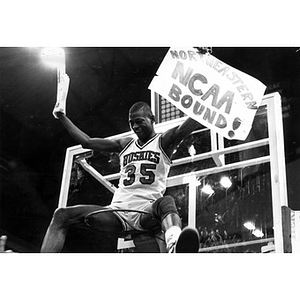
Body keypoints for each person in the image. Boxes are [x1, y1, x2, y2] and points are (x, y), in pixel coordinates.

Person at [41, 75, 201, 253]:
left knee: (166, 202)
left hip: (147, 212)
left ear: (152, 118)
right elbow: (87, 142)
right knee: (61, 214)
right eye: (131, 123)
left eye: (139, 121)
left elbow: (192, 122)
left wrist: (206, 90)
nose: (135, 126)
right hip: (117, 212)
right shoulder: (125, 144)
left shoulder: (164, 141)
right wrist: (61, 116)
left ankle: (174, 244)